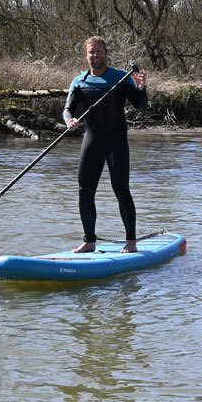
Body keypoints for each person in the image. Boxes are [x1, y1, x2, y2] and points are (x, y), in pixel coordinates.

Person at [64, 36, 148, 253]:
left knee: (121, 189)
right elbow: (68, 110)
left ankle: (131, 242)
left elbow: (141, 107)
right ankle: (89, 241)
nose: (95, 56)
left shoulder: (120, 78)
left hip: (116, 141)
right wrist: (70, 121)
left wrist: (140, 88)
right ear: (86, 55)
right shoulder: (79, 81)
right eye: (91, 52)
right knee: (85, 191)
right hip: (91, 141)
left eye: (99, 52)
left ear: (105, 53)